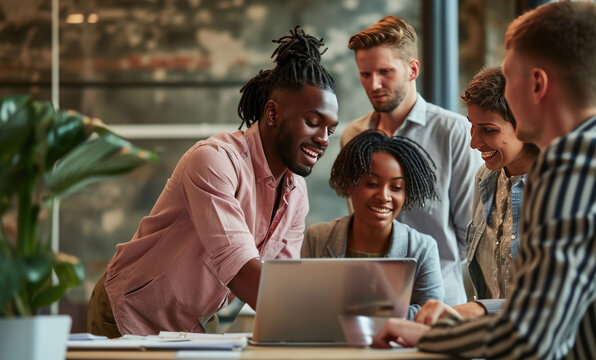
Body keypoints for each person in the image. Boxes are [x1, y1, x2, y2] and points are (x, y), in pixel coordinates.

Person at [372, 2, 596, 358]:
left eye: (509, 77)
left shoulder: (577, 165)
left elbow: (529, 337)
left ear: (536, 83)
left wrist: (424, 337)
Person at [87, 26, 339, 337]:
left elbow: (280, 283)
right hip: (130, 312)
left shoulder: (296, 192)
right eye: (313, 122)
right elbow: (243, 272)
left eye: (330, 129)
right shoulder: (214, 160)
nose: (324, 139)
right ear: (272, 113)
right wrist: (331, 319)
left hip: (191, 321)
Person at [342, 15, 481, 306]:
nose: (374, 84)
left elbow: (471, 233)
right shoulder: (352, 136)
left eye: (385, 72)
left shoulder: (454, 132)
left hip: (440, 306)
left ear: (412, 69)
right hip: (369, 302)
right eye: (365, 74)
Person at [416, 67, 539, 323]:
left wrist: (478, 309)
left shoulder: (557, 188)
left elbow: (552, 296)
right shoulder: (485, 177)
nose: (474, 142)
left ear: (524, 125)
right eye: (472, 127)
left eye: (488, 130)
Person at [302, 130, 444, 320]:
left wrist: (356, 310)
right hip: (330, 346)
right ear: (351, 184)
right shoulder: (317, 238)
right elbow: (303, 308)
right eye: (372, 184)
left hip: (399, 349)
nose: (384, 197)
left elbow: (430, 316)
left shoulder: (423, 248)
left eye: (396, 188)